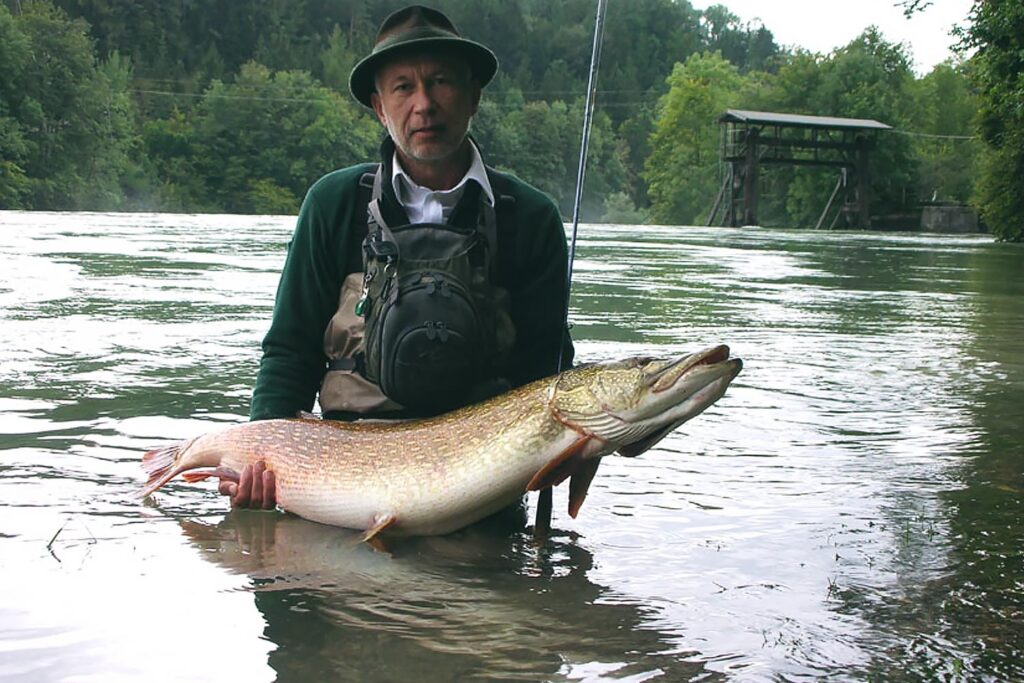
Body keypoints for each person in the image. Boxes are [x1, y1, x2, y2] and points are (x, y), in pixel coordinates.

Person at [221, 5, 574, 508]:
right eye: (403, 87)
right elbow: (289, 353)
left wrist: (576, 446)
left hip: (479, 490)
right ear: (379, 106)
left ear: (473, 95)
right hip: (343, 477)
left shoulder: (530, 216)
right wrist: (261, 457)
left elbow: (546, 372)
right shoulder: (334, 203)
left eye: (441, 82)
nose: (424, 104)